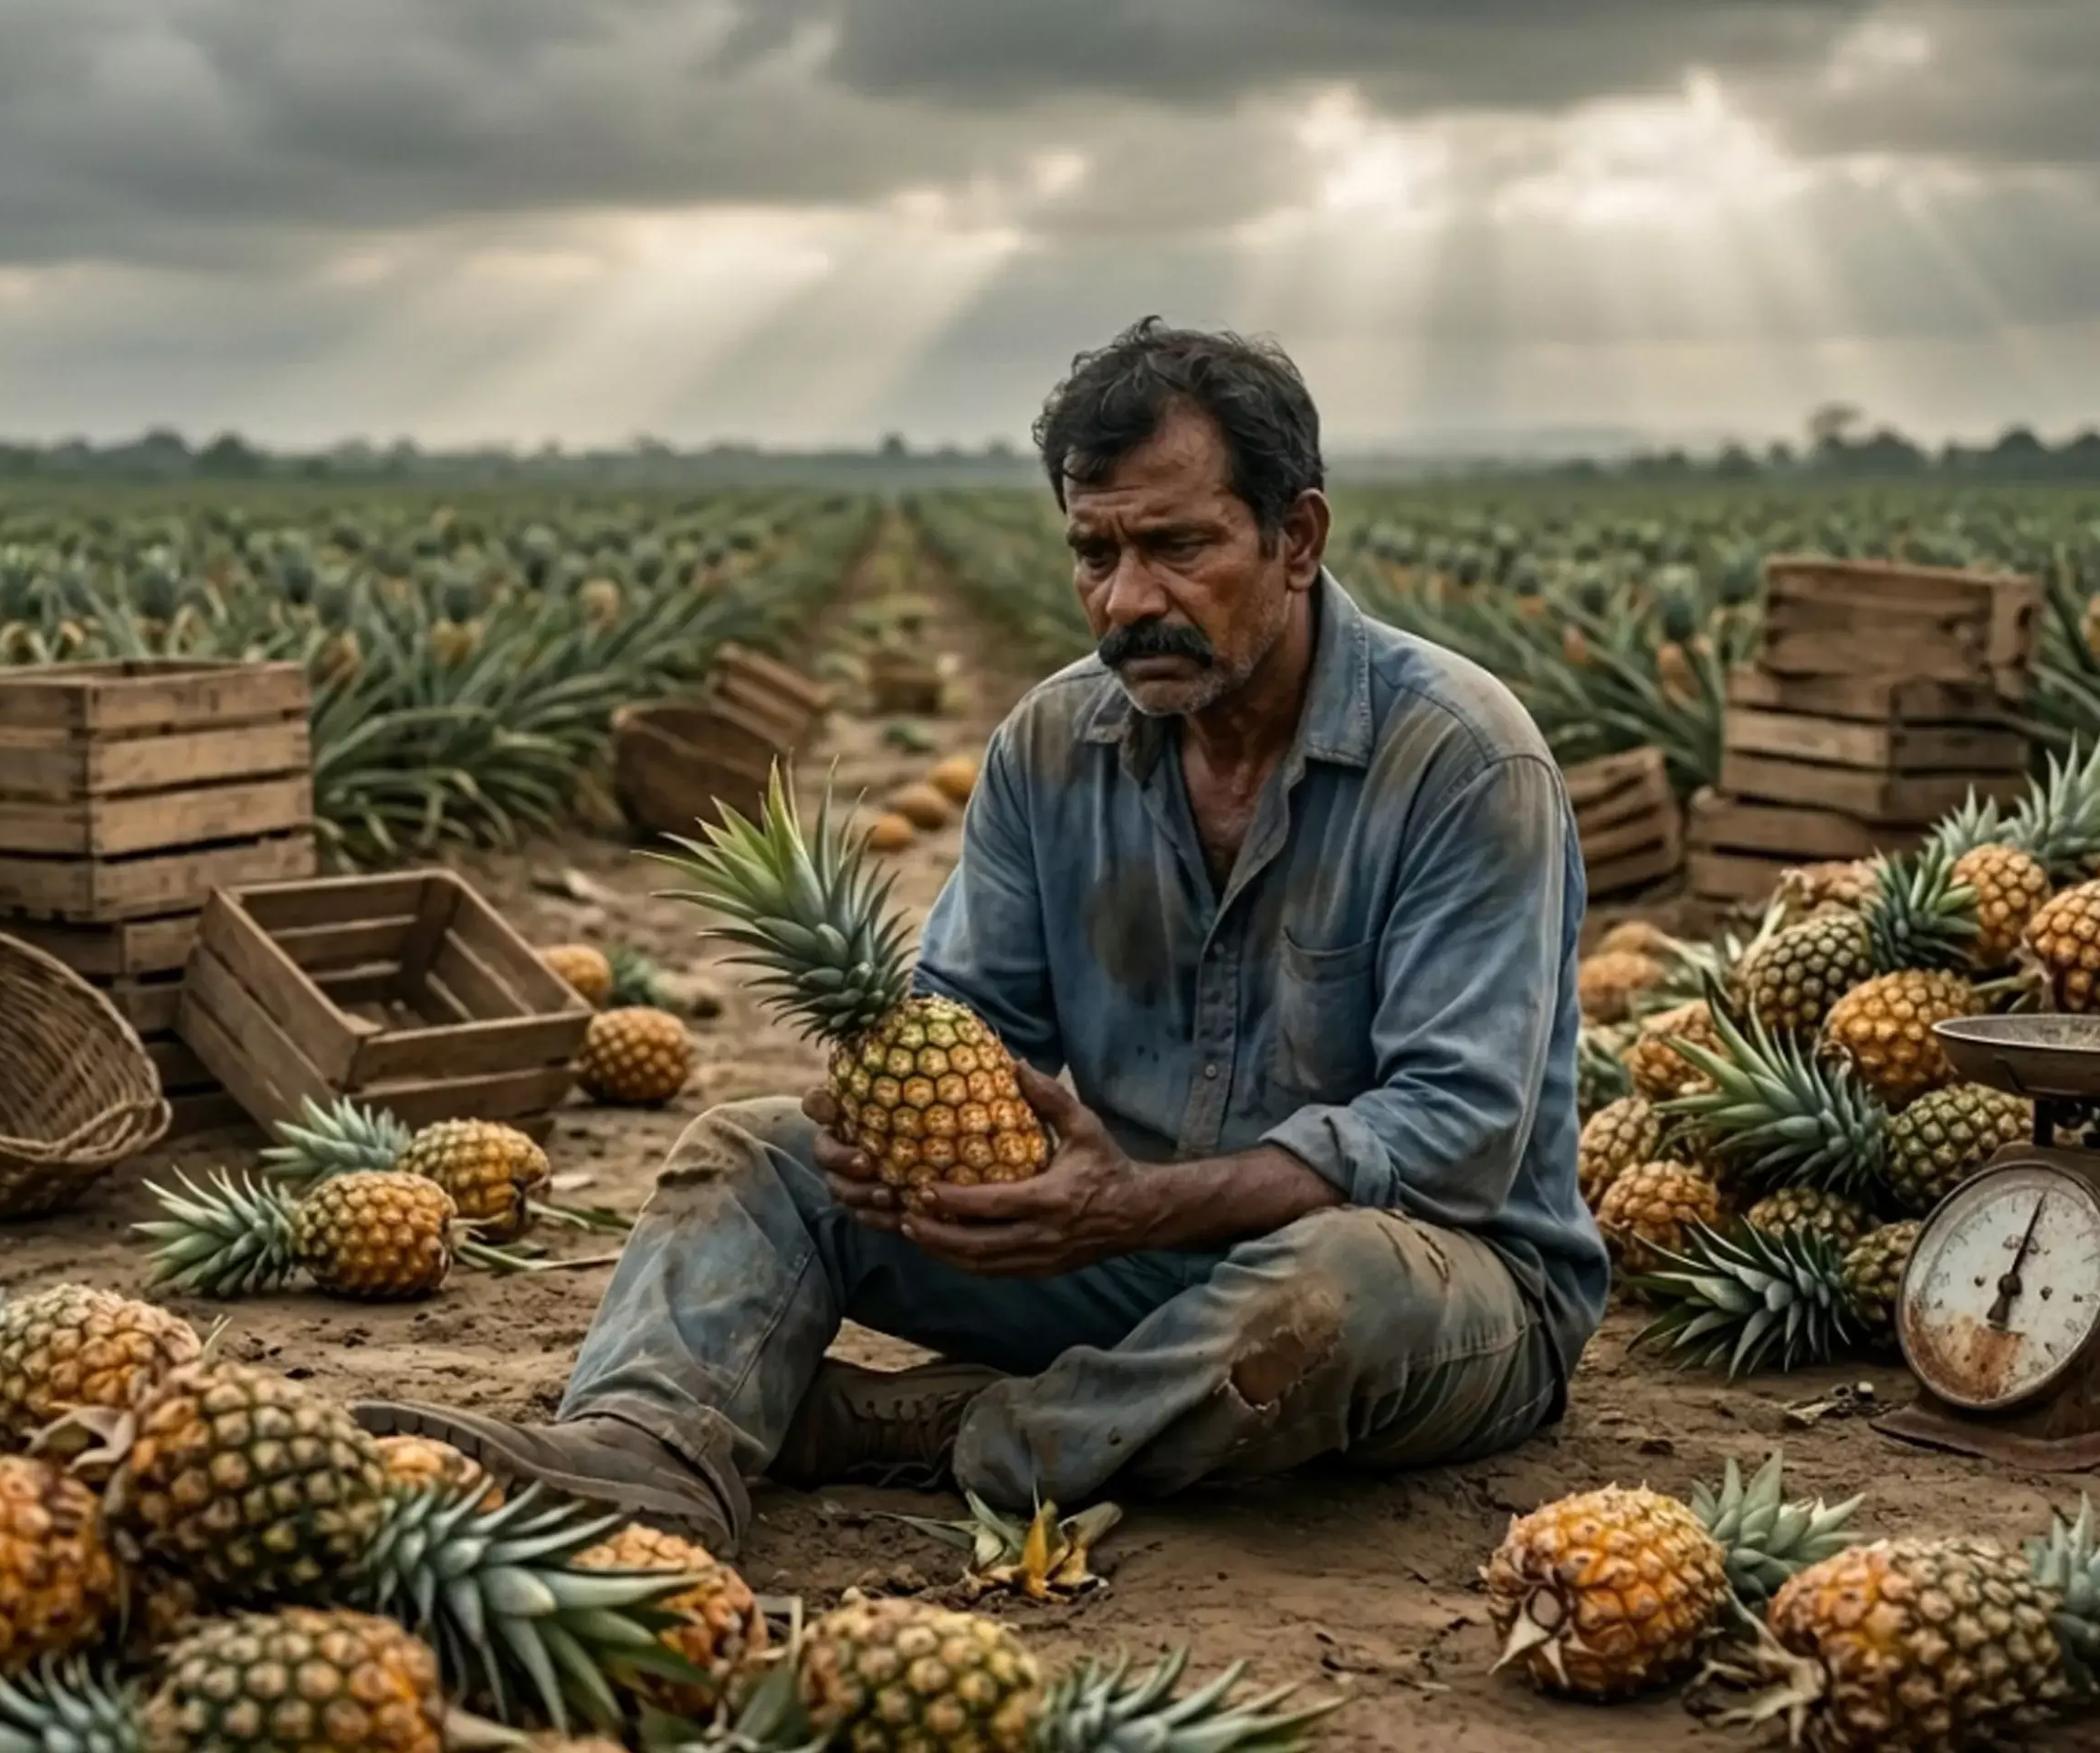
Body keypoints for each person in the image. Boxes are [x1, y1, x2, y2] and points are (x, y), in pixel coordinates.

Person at [356, 317, 1610, 1555]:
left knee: (1335, 1291)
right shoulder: (1053, 745)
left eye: (1178, 546)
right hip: (1123, 1253)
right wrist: (896, 1128)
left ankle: (952, 1430)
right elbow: (976, 1024)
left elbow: (1452, 1133)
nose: (1129, 600)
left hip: (1449, 1288)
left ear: (1298, 538)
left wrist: (1135, 1207)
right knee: (759, 1150)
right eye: (1094, 552)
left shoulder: (1460, 759)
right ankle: (647, 1455)